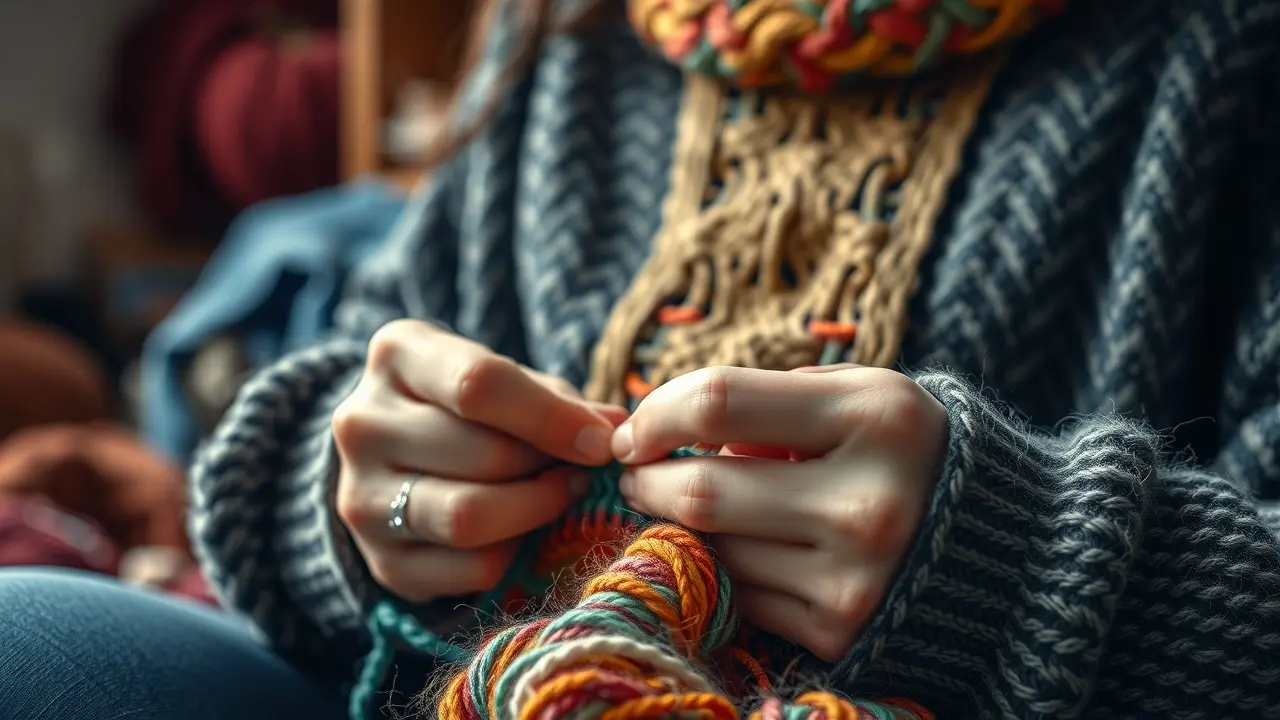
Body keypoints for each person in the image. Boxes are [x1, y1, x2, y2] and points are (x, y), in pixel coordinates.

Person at [4, 0, 1280, 718]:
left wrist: (1012, 568)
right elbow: (355, 393)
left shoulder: (1222, 57)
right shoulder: (562, 37)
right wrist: (365, 509)